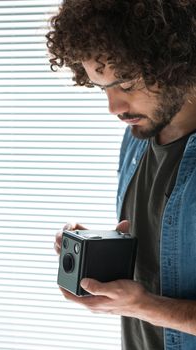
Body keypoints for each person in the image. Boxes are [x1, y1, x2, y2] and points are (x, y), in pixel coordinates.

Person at [46, 1, 196, 349]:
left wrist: (144, 307)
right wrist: (105, 248)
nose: (114, 107)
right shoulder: (136, 141)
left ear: (176, 62)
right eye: (103, 87)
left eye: (125, 83)